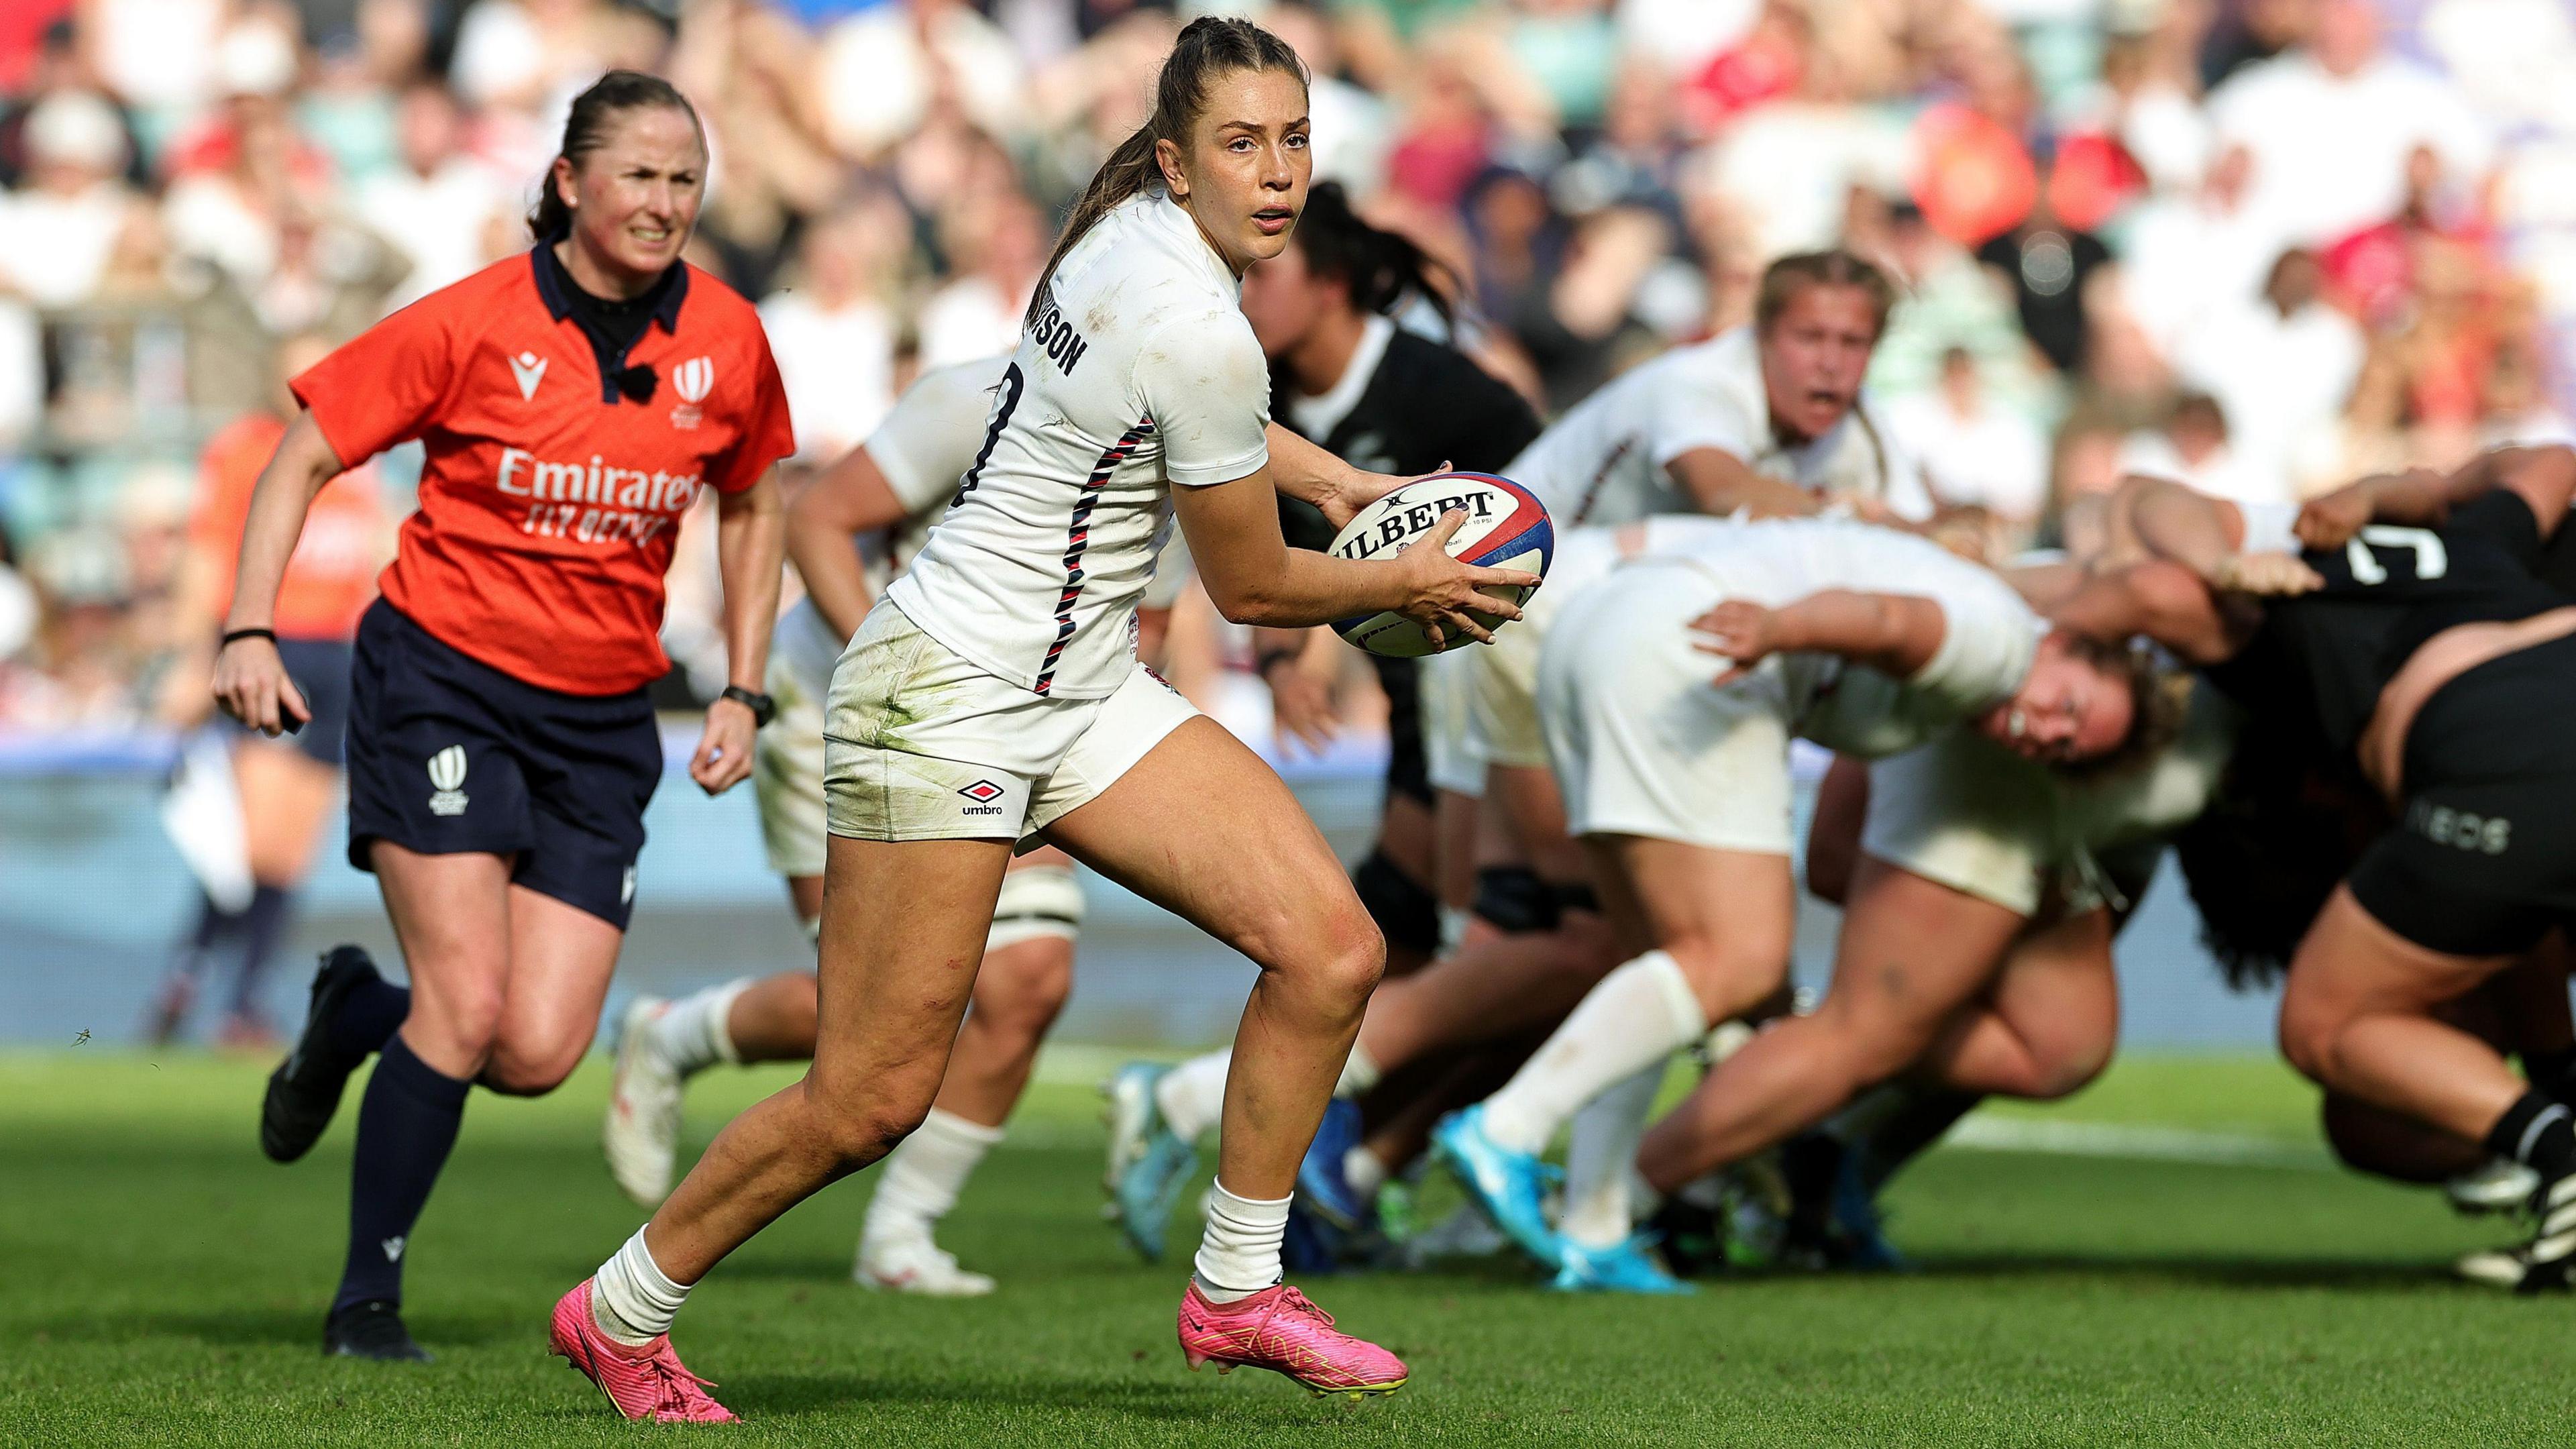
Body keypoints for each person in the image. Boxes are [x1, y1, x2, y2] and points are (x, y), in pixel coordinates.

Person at [546, 20, 1534, 1422]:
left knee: (1330, 949)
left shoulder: (1131, 227)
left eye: (1296, 139)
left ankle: (1237, 1288)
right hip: (945, 694)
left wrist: (1353, 496)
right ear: (1179, 159)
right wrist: (1405, 575)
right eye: (1242, 145)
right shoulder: (1198, 319)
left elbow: (1233, 439)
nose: (1278, 173)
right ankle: (620, 1310)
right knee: (871, 1095)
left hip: (1071, 695)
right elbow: (1250, 589)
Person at [217, 72, 793, 1362]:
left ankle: (359, 1013)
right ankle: (366, 1301)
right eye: (638, 174)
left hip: (602, 720)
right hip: (443, 683)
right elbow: (303, 449)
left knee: (534, 1054)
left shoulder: (732, 340)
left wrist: (746, 687)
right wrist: (248, 628)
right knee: (469, 1008)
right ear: (570, 183)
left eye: (684, 179)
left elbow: (759, 499)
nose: (664, 201)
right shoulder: (474, 320)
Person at [1433, 517, 2148, 1287]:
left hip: (1598, 635)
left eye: (2068, 747)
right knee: (1740, 964)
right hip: (1694, 647)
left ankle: (1593, 1225)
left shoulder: (1980, 673)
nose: (2049, 734)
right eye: (2069, 707)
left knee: (1659, 962)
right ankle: (1508, 1130)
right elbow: (1889, 621)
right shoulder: (2004, 645)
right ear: (2066, 644)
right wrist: (1781, 626)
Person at [1104, 178, 1544, 1255]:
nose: (1248, 296)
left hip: (1500, 691)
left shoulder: (1445, 394)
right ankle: (1332, 1162)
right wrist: (1292, 645)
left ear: (1335, 284)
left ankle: (1323, 1154)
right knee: (1478, 944)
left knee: (1470, 942)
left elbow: (1531, 523)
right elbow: (1262, 553)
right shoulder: (1256, 389)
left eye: (1272, 275)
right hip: (1421, 697)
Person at [602, 356, 1102, 1299]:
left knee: (1027, 978)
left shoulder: (1187, 430)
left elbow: (1138, 625)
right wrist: (900, 675)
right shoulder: (983, 396)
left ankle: (900, 1234)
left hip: (1010, 721)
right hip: (844, 695)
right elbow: (815, 520)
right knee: (880, 1016)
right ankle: (678, 1036)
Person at [2061, 447, 2576, 1289]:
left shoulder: (2284, 593)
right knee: (2514, 911)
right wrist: (2414, 489)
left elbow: (2146, 520)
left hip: (2492, 740)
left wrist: (2215, 568)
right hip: (2550, 674)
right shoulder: (2475, 538)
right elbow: (2553, 462)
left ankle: (2559, 1149)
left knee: (2327, 1023)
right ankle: (2562, 1097)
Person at [150, 333, 390, 1048]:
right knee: (250, 850)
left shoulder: (361, 456)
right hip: (270, 645)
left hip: (338, 660)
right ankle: (188, 979)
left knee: (289, 854)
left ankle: (243, 1004)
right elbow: (210, 552)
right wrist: (199, 655)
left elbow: (377, 559)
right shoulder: (248, 450)